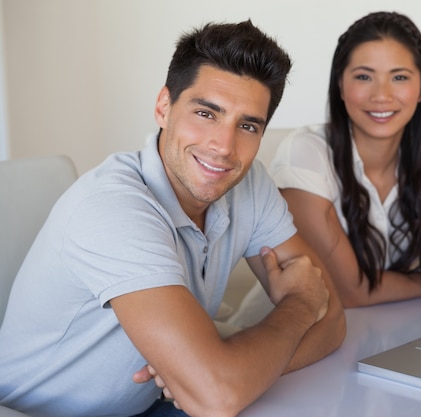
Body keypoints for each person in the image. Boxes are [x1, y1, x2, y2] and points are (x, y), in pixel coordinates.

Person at [0, 21, 345, 417]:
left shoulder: (249, 185)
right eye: (206, 113)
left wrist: (234, 369)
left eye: (247, 125)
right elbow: (218, 394)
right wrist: (299, 308)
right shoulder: (113, 208)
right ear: (164, 106)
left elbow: (333, 319)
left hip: (157, 404)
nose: (224, 147)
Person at [232, 11, 421, 352]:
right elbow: (350, 291)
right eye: (364, 76)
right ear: (340, 85)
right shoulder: (307, 154)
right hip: (282, 350)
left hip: (380, 345)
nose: (382, 95)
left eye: (399, 77)